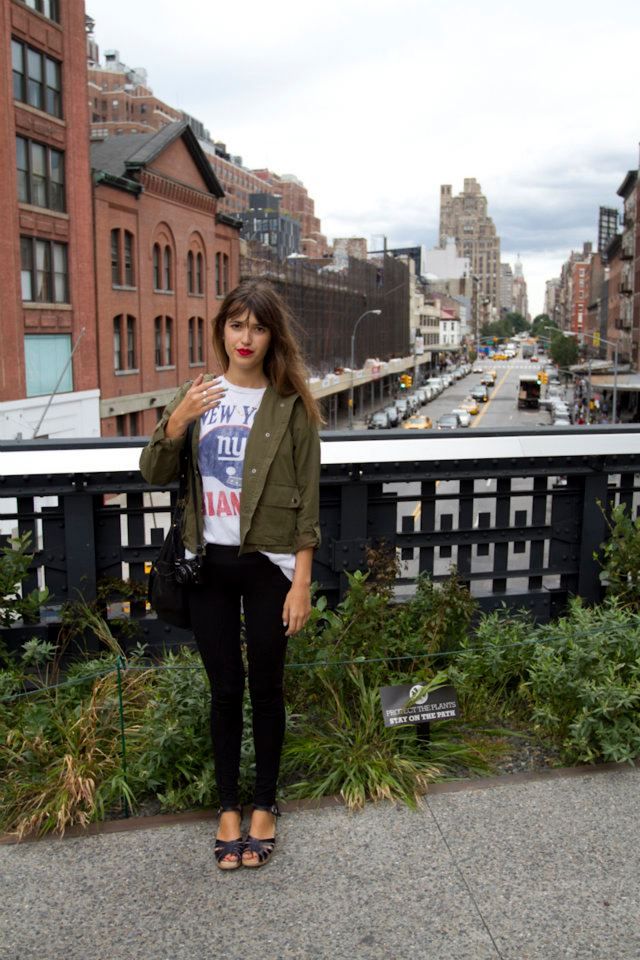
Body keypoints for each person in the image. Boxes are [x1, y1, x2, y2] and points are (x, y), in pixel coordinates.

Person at [140, 279, 322, 870]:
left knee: (267, 689)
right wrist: (177, 421)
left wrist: (301, 583)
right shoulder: (198, 395)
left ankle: (264, 806)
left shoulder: (291, 404)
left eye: (258, 326)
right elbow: (151, 470)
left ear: (273, 336)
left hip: (267, 567)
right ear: (221, 329)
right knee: (224, 691)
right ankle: (227, 810)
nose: (246, 338)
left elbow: (308, 503)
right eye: (236, 325)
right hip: (207, 565)